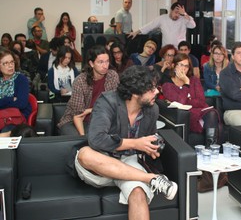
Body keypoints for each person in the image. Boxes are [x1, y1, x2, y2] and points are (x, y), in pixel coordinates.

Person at [75, 65, 178, 220]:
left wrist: (149, 148)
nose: (157, 92)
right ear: (135, 92)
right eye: (151, 89)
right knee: (84, 154)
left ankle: (150, 179)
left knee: (138, 193)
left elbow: (147, 140)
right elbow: (96, 139)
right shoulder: (107, 102)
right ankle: (152, 179)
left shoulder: (152, 109)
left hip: (128, 164)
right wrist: (136, 144)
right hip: (101, 163)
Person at [57, 45, 119, 136]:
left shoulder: (112, 76)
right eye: (101, 62)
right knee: (80, 141)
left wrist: (91, 110)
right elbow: (78, 112)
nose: (105, 66)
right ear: (91, 63)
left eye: (107, 61)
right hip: (74, 120)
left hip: (102, 119)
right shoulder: (81, 80)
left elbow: (116, 104)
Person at [162, 53, 220, 145]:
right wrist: (186, 83)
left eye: (186, 66)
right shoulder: (167, 85)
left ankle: (211, 149)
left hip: (203, 111)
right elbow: (180, 103)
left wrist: (187, 101)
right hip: (186, 116)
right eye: (181, 65)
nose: (184, 68)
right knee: (212, 118)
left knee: (212, 114)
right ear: (174, 66)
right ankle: (211, 150)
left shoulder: (195, 80)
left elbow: (201, 101)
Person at [131, 2, 196, 48]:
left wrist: (184, 13)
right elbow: (150, 25)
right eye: (176, 12)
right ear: (171, 10)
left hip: (179, 49)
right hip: (166, 49)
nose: (177, 15)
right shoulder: (163, 18)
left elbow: (193, 25)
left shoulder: (184, 18)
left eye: (179, 13)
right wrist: (136, 32)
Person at [0, 49, 32, 132]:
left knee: (6, 131)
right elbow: (15, 102)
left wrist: (2, 102)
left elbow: (22, 104)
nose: (10, 66)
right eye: (6, 63)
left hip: (15, 118)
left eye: (12, 62)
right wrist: (10, 99)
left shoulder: (21, 79)